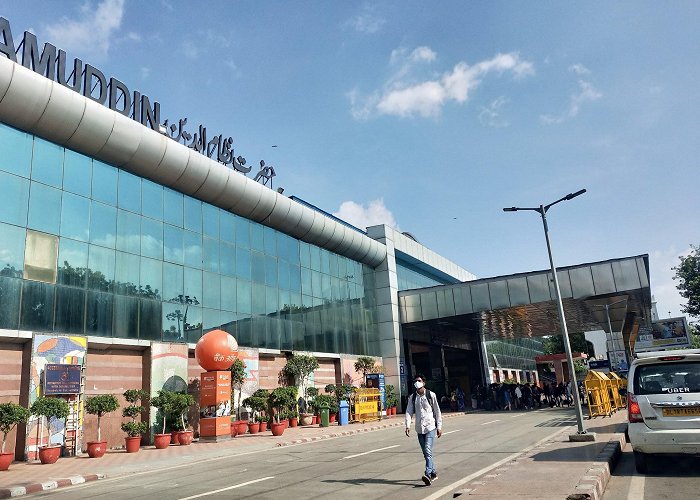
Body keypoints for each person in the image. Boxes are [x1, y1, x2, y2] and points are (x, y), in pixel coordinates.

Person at [405, 374, 443, 486]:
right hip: (419, 429)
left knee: (427, 450)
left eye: (419, 380)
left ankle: (427, 474)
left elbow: (437, 411)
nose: (417, 382)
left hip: (430, 427)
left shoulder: (431, 395)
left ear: (424, 383)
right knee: (426, 453)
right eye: (415, 381)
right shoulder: (412, 397)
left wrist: (439, 427)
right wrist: (407, 425)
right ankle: (434, 473)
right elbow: (409, 411)